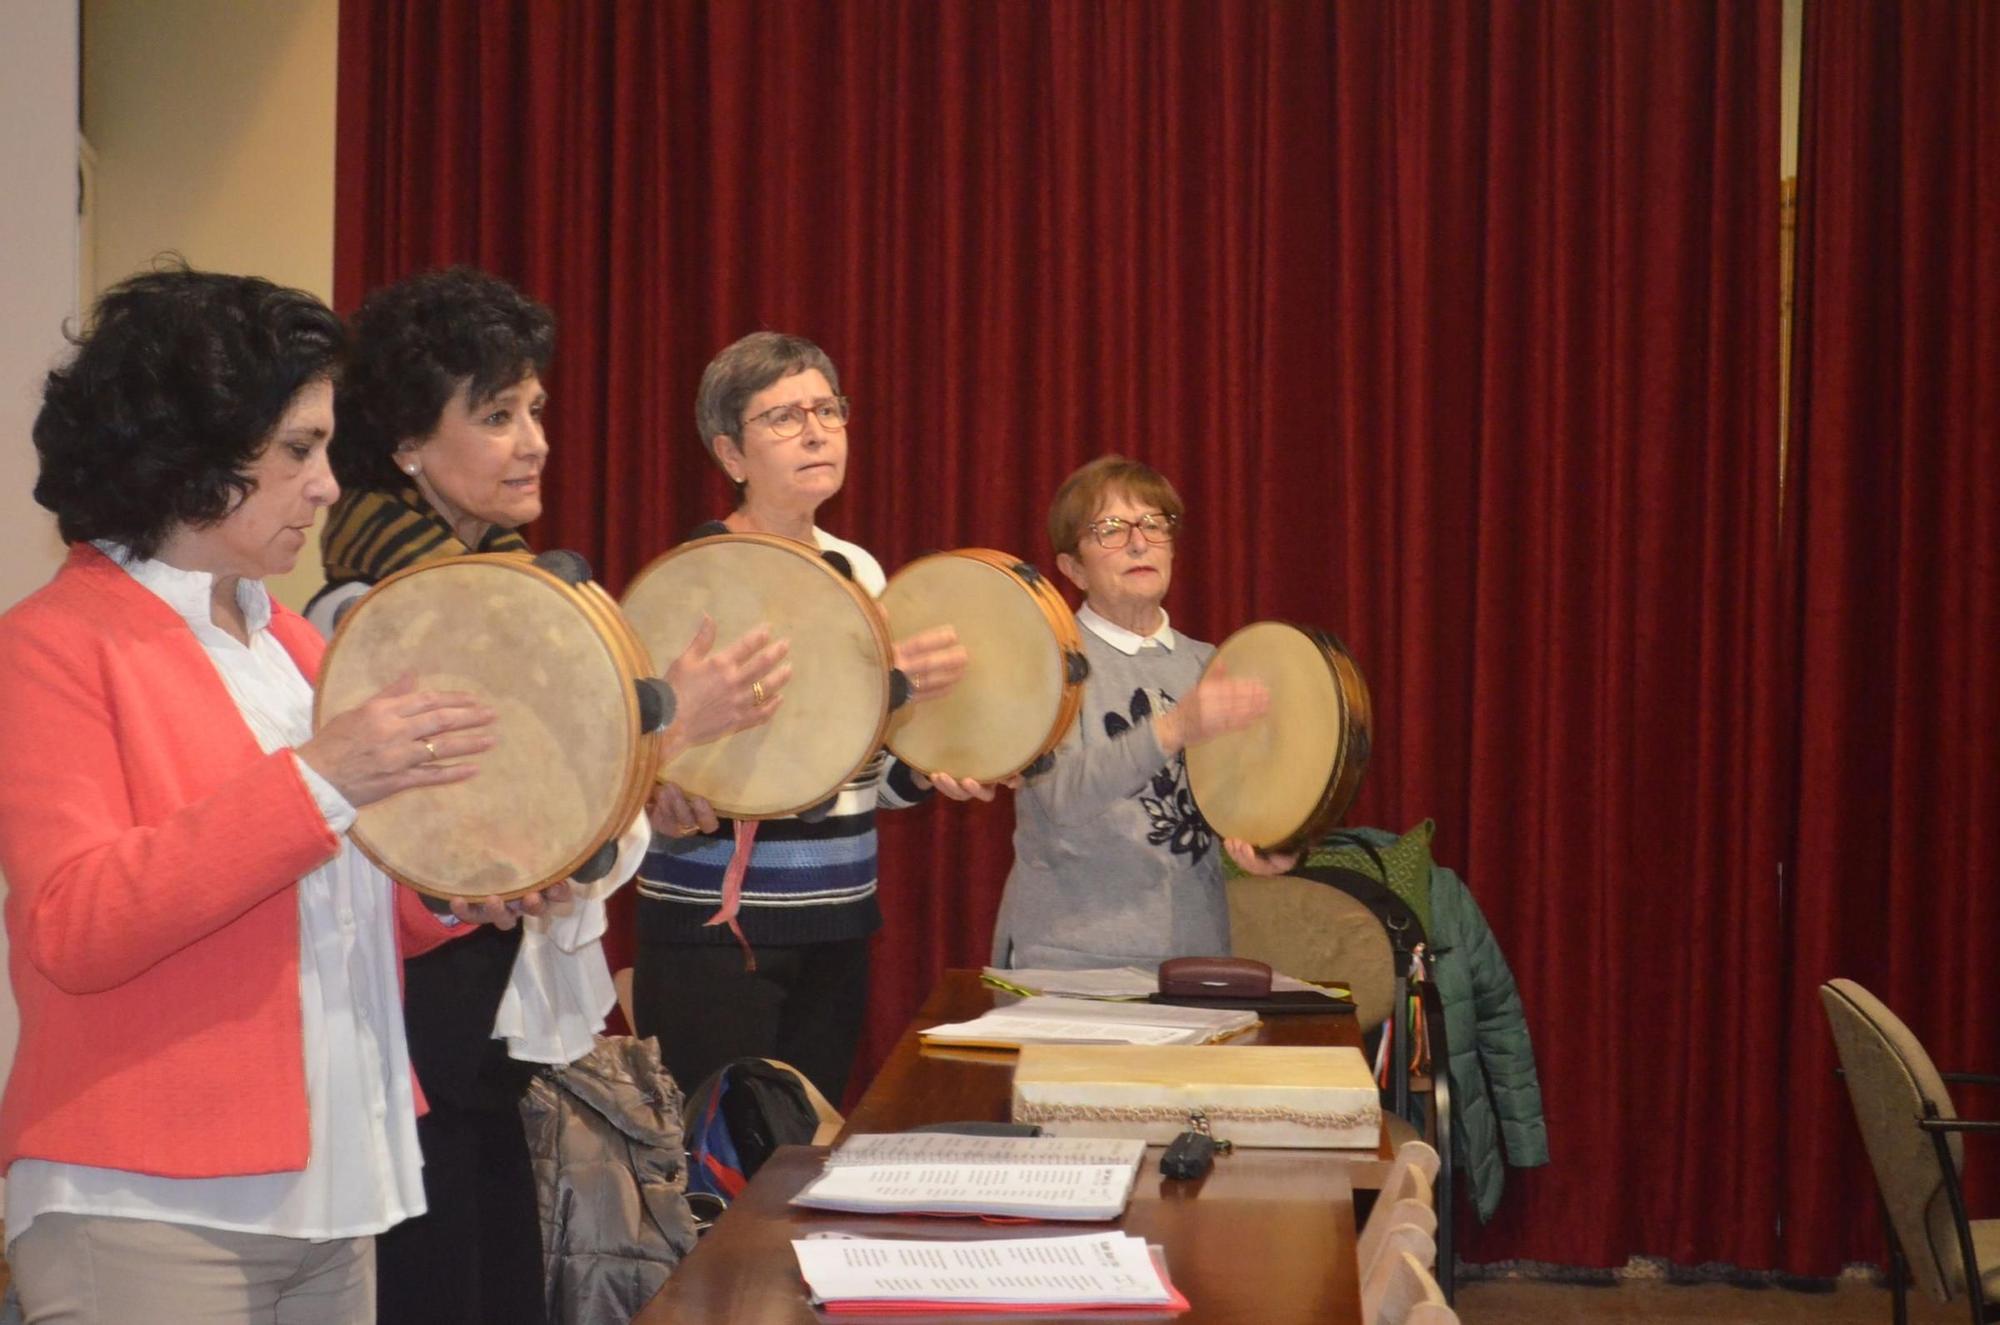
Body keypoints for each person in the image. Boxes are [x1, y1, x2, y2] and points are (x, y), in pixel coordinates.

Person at [0, 265, 559, 1325]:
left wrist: (451, 894)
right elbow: (76, 921)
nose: (327, 483)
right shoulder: (53, 646)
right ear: (195, 452)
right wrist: (319, 777)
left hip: (333, 1182)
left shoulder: (288, 640)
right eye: (299, 448)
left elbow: (329, 906)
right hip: (150, 1202)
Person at [312, 267, 787, 1325]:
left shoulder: (504, 589)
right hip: (413, 1041)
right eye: (494, 415)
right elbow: (490, 838)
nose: (533, 438)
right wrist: (660, 725)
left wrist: (644, 772)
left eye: (535, 408)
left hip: (476, 1049)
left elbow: (542, 816)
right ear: (403, 447)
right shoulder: (380, 611)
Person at [633, 330, 991, 1104]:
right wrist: (658, 787)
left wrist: (927, 769)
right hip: (716, 933)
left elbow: (852, 765)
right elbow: (653, 753)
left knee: (799, 1164)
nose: (818, 429)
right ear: (731, 455)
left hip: (837, 917)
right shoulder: (694, 574)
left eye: (828, 408)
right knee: (719, 1176)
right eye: (785, 416)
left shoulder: (859, 569)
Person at [991, 455, 1291, 970]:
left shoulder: (1210, 662)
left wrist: (1275, 846)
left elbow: (1239, 800)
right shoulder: (1046, 661)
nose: (1137, 542)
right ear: (1073, 568)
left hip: (1194, 958)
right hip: (1070, 963)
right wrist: (1174, 729)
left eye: (1154, 525)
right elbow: (1061, 796)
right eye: (1110, 529)